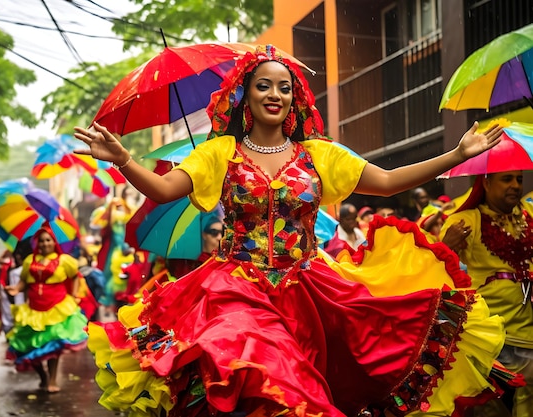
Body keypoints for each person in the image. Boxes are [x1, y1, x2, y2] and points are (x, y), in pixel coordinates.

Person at [74, 45, 506, 416]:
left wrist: (455, 156)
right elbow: (165, 189)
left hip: (309, 290)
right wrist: (125, 160)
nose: (275, 94)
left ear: (295, 99)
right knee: (260, 369)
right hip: (235, 291)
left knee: (314, 386)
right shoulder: (219, 152)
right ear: (245, 95)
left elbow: (389, 181)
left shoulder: (319, 155)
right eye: (264, 85)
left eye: (285, 87)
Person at [440, 171, 533, 415]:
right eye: (507, 179)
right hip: (490, 334)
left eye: (520, 180)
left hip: (528, 328)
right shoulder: (466, 222)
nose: (515, 186)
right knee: (489, 405)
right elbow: (439, 270)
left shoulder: (529, 216)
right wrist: (446, 247)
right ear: (486, 182)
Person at [5, 224, 88, 393]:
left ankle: (52, 379)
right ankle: (42, 376)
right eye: (41, 241)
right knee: (29, 346)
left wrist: (73, 294)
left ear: (53, 242)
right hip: (34, 311)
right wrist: (16, 289)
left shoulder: (65, 261)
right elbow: (23, 282)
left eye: (48, 240)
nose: (44, 243)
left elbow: (75, 277)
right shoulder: (29, 261)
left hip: (56, 307)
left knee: (53, 346)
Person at [167, 213, 224, 279]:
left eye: (222, 232)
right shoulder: (190, 263)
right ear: (204, 234)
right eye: (214, 232)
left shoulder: (223, 260)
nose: (219, 237)